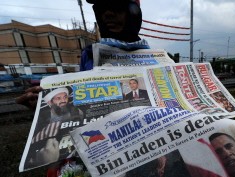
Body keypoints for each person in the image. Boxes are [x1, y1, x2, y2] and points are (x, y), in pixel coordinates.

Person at [15, 0, 150, 109]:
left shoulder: (153, 57)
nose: (107, 14)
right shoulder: (90, 54)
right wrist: (43, 107)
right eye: (101, 9)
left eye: (117, 7)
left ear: (134, 13)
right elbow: (83, 101)